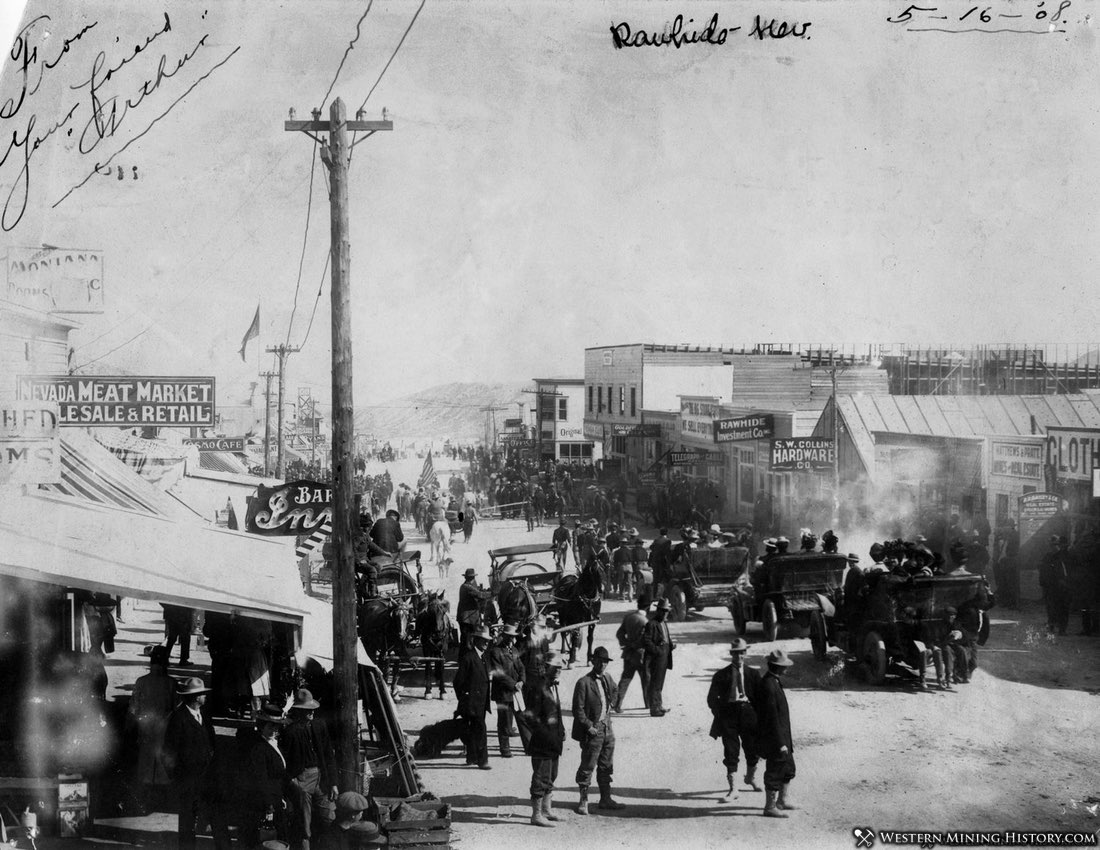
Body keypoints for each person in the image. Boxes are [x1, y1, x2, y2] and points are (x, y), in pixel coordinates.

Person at [162, 677, 231, 850]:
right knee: (187, 823)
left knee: (218, 819)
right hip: (188, 783)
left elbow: (212, 744)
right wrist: (179, 779)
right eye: (202, 694)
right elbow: (168, 753)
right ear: (195, 697)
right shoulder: (178, 719)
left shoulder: (204, 716)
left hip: (209, 780)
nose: (205, 697)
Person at [280, 689, 338, 850]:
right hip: (302, 776)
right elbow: (283, 761)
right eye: (307, 710)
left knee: (329, 816)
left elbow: (328, 755)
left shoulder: (319, 725)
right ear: (298, 711)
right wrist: (293, 781)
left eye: (312, 709)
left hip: (321, 775)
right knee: (304, 822)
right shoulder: (290, 732)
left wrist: (333, 782)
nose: (311, 712)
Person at [571, 646, 624, 815]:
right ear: (593, 661)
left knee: (606, 765)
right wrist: (589, 726)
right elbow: (577, 709)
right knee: (588, 765)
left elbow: (615, 690)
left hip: (607, 728)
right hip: (593, 731)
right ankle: (583, 800)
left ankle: (605, 799)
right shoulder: (583, 683)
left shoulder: (607, 678)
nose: (602, 665)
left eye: (605, 662)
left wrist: (613, 704)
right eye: (599, 661)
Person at [707, 638, 762, 795]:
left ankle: (751, 777)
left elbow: (760, 698)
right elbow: (711, 699)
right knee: (731, 751)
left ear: (745, 653)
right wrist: (721, 714)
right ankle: (733, 788)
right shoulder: (721, 675)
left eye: (741, 653)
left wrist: (757, 715)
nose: (739, 657)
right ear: (732, 654)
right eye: (736, 653)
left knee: (752, 749)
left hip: (748, 714)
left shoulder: (753, 674)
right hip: (728, 715)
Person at [125, 645, 176, 806]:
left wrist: (128, 727)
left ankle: (147, 796)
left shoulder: (141, 682)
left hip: (145, 728)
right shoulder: (171, 683)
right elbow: (178, 708)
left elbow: (133, 708)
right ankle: (162, 798)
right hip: (165, 729)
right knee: (163, 763)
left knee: (146, 762)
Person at [523, 651, 567, 828]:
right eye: (555, 668)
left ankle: (547, 810)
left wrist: (560, 730)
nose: (558, 671)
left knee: (552, 775)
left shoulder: (553, 686)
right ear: (546, 668)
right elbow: (530, 716)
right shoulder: (537, 687)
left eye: (560, 669)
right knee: (540, 777)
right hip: (543, 742)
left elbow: (556, 712)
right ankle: (536, 814)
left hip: (554, 740)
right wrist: (543, 733)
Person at [752, 649, 797, 818]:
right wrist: (781, 743)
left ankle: (782, 801)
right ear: (777, 667)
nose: (786, 668)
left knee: (788, 768)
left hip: (783, 735)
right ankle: (770, 807)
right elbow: (771, 718)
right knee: (775, 770)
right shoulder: (769, 685)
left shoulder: (774, 681)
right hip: (775, 738)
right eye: (784, 666)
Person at [240, 704, 289, 849]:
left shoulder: (275, 744)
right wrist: (269, 805)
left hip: (276, 798)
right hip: (264, 803)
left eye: (276, 727)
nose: (274, 730)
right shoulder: (259, 749)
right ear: (262, 726)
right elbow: (260, 779)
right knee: (265, 841)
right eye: (270, 727)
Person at [454, 625, 493, 770]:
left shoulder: (483, 657)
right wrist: (464, 697)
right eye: (483, 640)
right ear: (476, 640)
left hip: (481, 702)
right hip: (472, 703)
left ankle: (471, 757)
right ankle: (483, 760)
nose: (486, 643)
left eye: (487, 641)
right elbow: (458, 682)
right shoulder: (468, 658)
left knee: (472, 730)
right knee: (481, 730)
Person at [487, 623, 526, 759]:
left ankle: (528, 746)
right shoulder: (495, 651)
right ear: (503, 636)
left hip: (516, 690)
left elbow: (521, 667)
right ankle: (505, 749)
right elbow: (499, 674)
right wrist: (514, 684)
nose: (511, 639)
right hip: (503, 693)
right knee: (504, 721)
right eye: (509, 637)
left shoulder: (514, 650)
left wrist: (521, 681)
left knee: (522, 719)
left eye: (513, 637)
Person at [612, 596, 650, 713]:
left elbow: (619, 634)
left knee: (625, 679)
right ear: (648, 607)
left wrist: (626, 644)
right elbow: (646, 640)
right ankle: (648, 704)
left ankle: (617, 705)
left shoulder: (629, 617)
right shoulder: (646, 621)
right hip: (641, 655)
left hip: (628, 654)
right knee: (646, 679)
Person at [643, 598, 675, 717]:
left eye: (667, 611)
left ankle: (658, 705)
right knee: (655, 683)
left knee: (659, 683)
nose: (666, 613)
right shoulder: (651, 624)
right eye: (664, 611)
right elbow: (646, 641)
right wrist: (658, 651)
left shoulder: (663, 623)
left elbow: (666, 638)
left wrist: (671, 645)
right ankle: (654, 709)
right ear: (658, 611)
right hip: (656, 658)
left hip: (665, 656)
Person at [1039, 535, 1072, 636]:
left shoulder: (1061, 556)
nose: (1054, 547)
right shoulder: (1052, 556)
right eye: (1052, 545)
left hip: (1058, 585)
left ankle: (1058, 628)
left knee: (1058, 607)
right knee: (1055, 607)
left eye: (1055, 545)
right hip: (1054, 585)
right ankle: (1056, 627)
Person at [457, 568, 492, 649]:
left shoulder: (467, 586)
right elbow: (480, 595)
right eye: (472, 578)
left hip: (467, 618)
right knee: (467, 640)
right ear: (472, 578)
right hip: (468, 619)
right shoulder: (466, 587)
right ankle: (466, 657)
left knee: (466, 639)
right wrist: (492, 593)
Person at [649, 528, 672, 600]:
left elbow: (651, 547)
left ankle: (654, 594)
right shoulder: (668, 541)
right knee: (663, 579)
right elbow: (667, 552)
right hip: (663, 562)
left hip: (655, 562)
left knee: (656, 579)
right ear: (667, 533)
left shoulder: (656, 540)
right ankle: (663, 595)